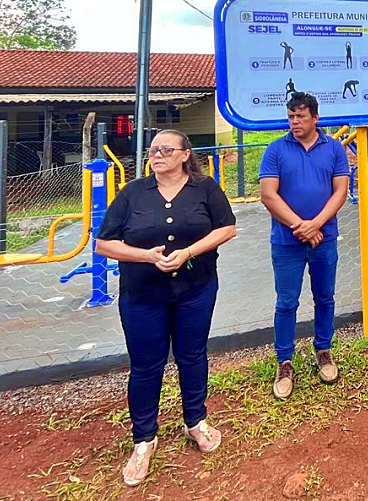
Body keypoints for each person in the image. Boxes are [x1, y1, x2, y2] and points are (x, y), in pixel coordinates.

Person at [96, 130, 237, 487]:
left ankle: (196, 421)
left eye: (166, 150)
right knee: (145, 366)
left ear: (185, 154)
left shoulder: (205, 189)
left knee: (192, 355)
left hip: (196, 288)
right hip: (143, 295)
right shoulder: (133, 194)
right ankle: (144, 439)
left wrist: (189, 252)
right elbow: (104, 244)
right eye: (154, 150)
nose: (158, 155)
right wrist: (145, 256)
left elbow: (228, 228)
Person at [259, 92, 350, 399]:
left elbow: (340, 192)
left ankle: (323, 350)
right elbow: (269, 195)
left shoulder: (335, 149)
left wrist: (316, 225)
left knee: (325, 297)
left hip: (324, 239)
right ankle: (284, 361)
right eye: (291, 117)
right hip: (287, 242)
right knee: (287, 302)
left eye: (300, 116)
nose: (294, 122)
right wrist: (301, 225)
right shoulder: (275, 150)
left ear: (315, 118)